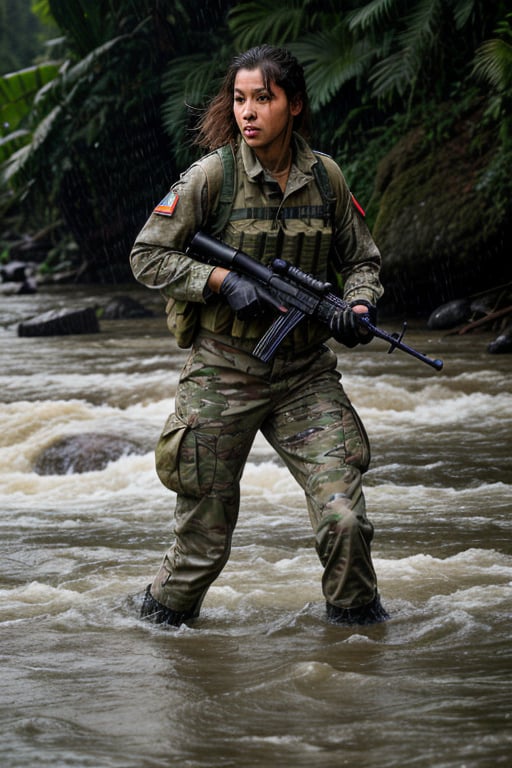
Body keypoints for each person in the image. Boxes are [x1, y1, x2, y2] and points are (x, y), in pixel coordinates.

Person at [130, 44, 389, 627]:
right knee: (201, 546)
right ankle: (153, 637)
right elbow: (146, 256)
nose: (248, 112)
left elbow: (363, 261)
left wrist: (358, 305)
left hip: (304, 376)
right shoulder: (211, 177)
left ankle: (358, 646)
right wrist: (220, 280)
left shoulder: (326, 178)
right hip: (223, 371)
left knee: (344, 519)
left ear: (293, 105)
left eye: (263, 99)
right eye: (240, 99)